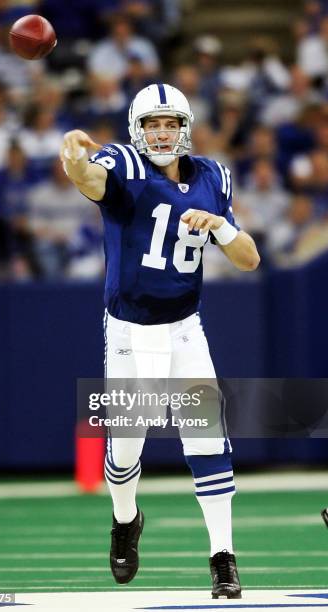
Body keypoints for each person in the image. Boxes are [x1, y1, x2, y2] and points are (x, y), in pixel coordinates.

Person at [60, 83, 260, 599]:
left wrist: (219, 225)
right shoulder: (124, 165)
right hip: (129, 328)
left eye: (171, 123)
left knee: (207, 439)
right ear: (137, 129)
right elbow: (90, 177)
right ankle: (125, 519)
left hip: (186, 327)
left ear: (185, 128)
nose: (162, 133)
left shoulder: (214, 176)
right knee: (125, 450)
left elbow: (250, 259)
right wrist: (74, 159)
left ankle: (223, 558)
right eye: (153, 124)